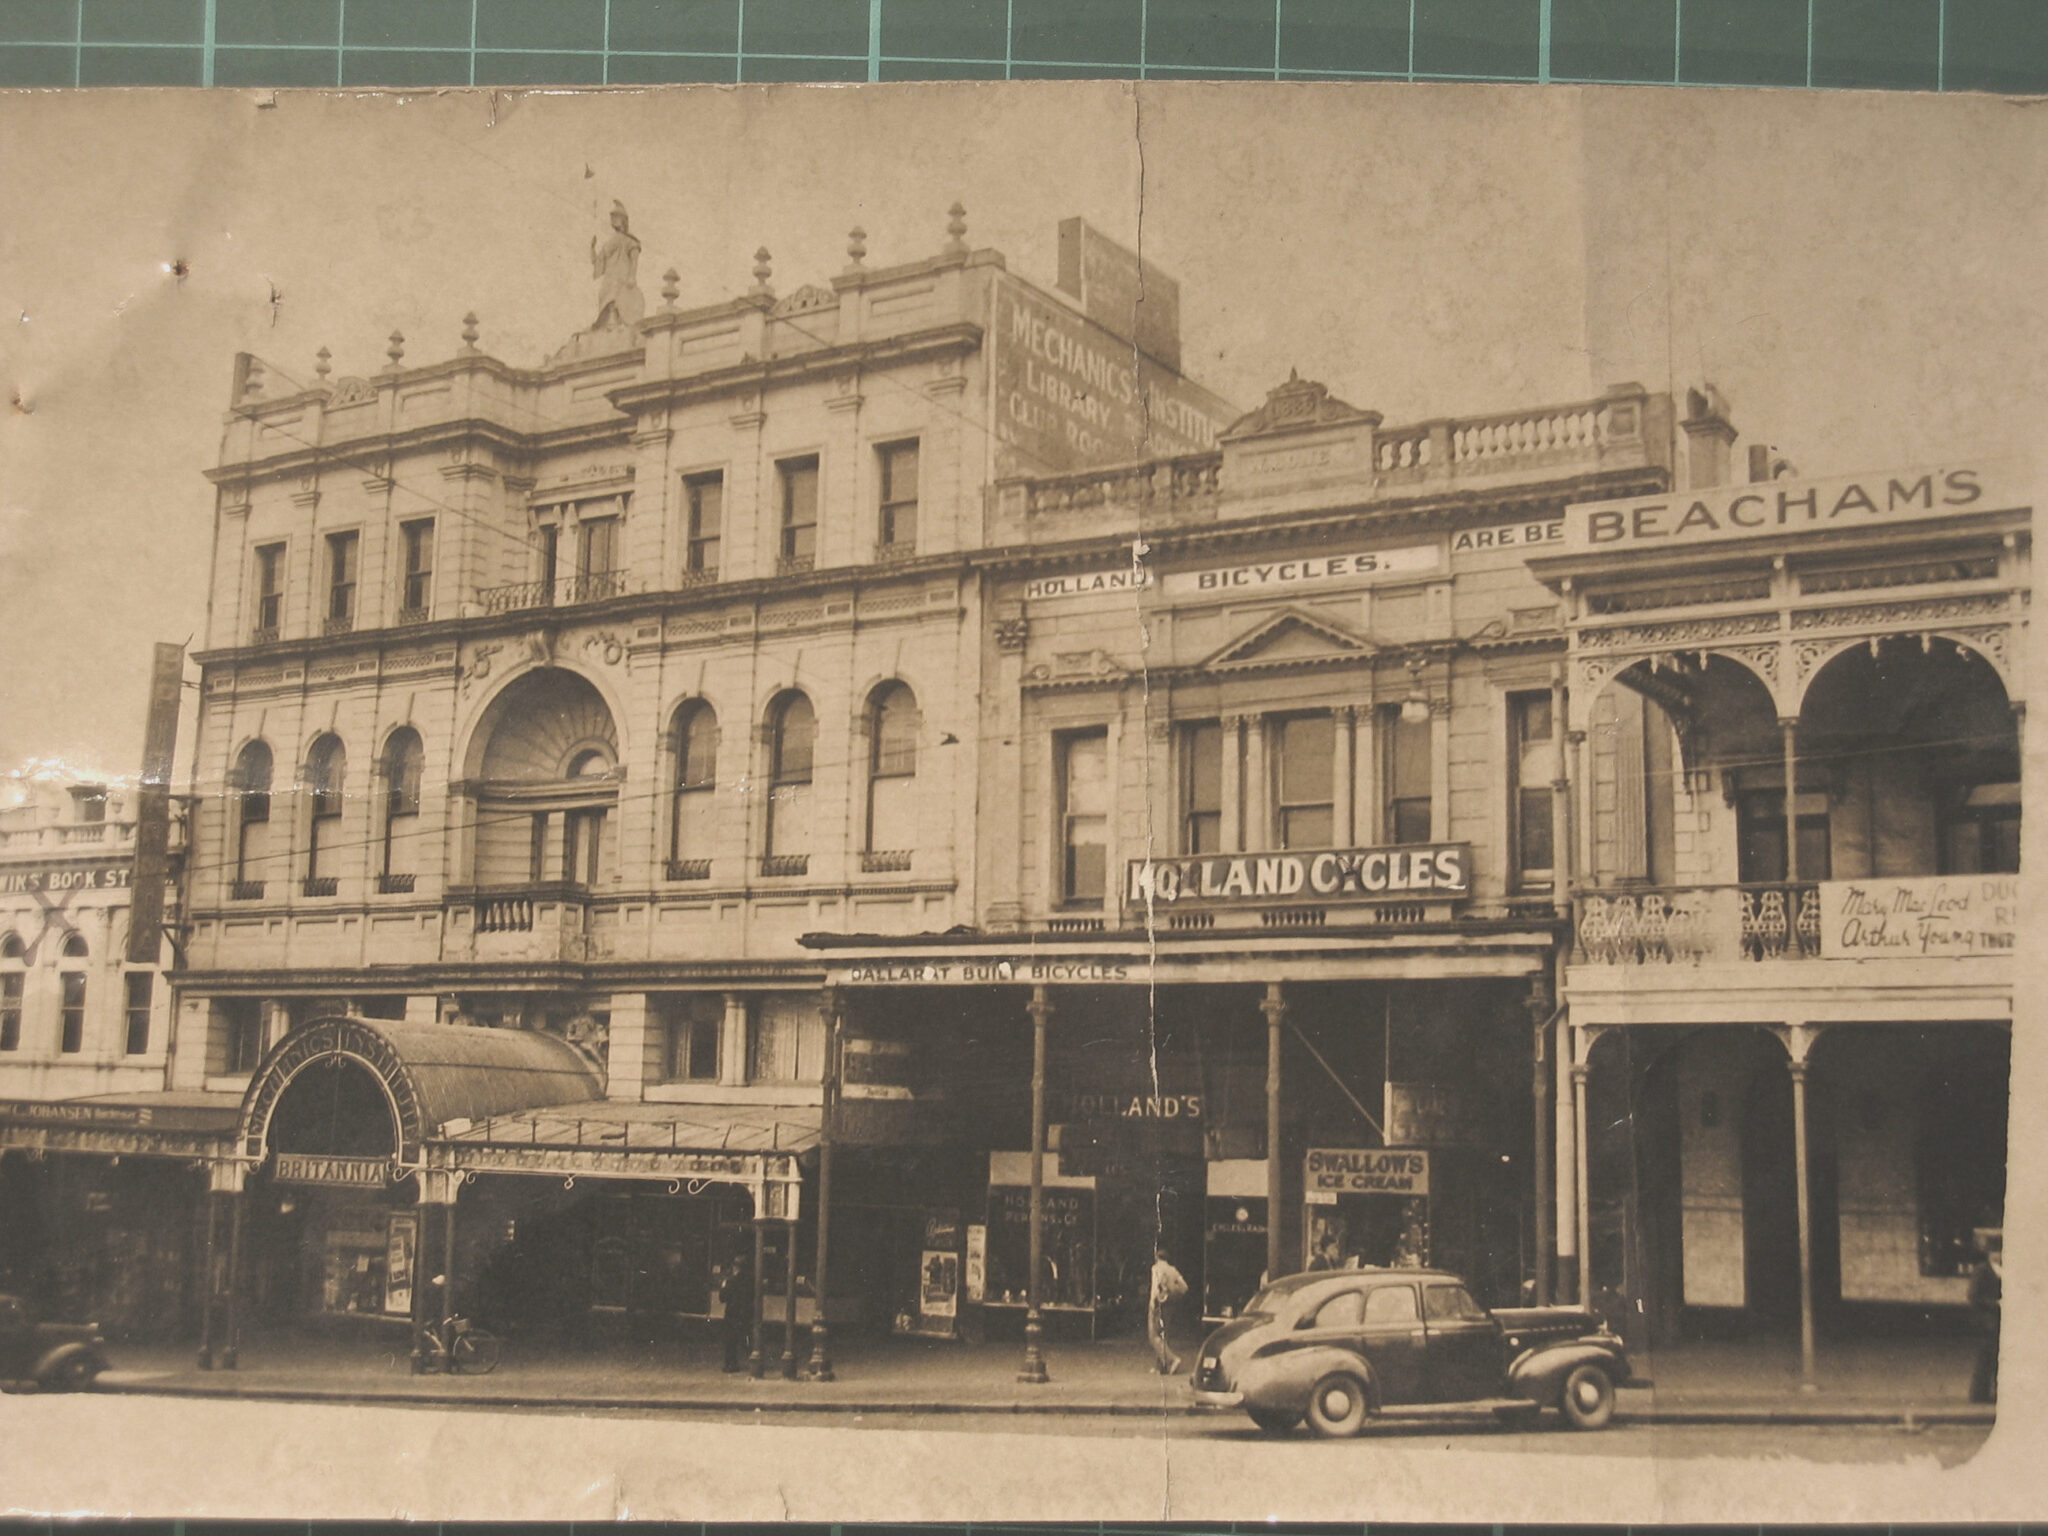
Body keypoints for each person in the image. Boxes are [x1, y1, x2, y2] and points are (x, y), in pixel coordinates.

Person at [589, 201, 645, 332]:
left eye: (616, 216)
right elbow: (598, 261)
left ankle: (616, 321)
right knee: (605, 294)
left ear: (623, 220)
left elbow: (634, 257)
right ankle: (607, 322)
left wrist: (632, 276)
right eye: (612, 217)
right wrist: (592, 248)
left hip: (622, 273)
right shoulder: (610, 241)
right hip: (610, 274)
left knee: (617, 296)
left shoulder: (629, 240)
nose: (613, 219)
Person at [1968, 1241, 2001, 1405]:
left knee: (1996, 1358)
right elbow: (1974, 1296)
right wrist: (1995, 1303)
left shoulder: (2003, 1271)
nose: (2000, 1255)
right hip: (1986, 1321)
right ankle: (1979, 1394)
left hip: (1998, 1322)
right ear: (1989, 1254)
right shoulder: (1982, 1270)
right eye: (1996, 1252)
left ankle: (1995, 1392)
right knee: (1986, 1358)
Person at [1148, 1247, 1188, 1375]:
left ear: (1156, 1257)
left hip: (1158, 1303)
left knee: (1154, 1336)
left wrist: (1152, 1303)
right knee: (1164, 1335)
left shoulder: (1156, 1269)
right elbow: (1184, 1287)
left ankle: (1173, 1359)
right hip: (1170, 1304)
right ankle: (1161, 1366)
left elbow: (1155, 1287)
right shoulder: (1173, 1270)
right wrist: (1172, 1292)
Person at [718, 1243, 755, 1374]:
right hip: (741, 1312)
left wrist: (725, 1284)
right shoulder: (746, 1278)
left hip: (735, 1312)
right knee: (739, 1339)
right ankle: (742, 1362)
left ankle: (732, 1363)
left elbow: (723, 1297)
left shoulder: (733, 1280)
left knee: (732, 1340)